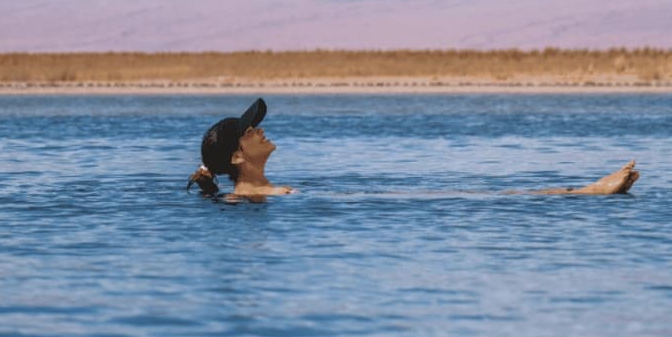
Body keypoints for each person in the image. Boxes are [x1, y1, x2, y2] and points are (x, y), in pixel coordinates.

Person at [187, 98, 640, 199]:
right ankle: (590, 192)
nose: (261, 131)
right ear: (236, 156)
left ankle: (587, 190)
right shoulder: (275, 196)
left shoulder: (259, 194)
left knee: (494, 196)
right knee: (491, 197)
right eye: (250, 132)